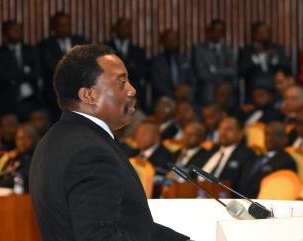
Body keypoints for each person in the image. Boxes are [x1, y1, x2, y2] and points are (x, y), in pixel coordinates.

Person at [29, 44, 189, 241]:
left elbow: (132, 224)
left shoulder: (56, 139)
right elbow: (100, 236)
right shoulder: (90, 152)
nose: (132, 90)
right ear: (88, 95)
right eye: (121, 82)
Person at [38, 12, 89, 120]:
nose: (64, 28)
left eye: (67, 25)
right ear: (54, 27)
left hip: (80, 92)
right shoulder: (46, 45)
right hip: (54, 94)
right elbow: (52, 66)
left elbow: (87, 64)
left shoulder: (81, 42)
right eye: (61, 25)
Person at [0, 20, 41, 119]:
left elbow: (37, 72)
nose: (18, 32)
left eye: (19, 30)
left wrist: (16, 75)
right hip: (9, 102)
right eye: (14, 30)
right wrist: (25, 72)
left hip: (31, 100)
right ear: (5, 34)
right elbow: (4, 76)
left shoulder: (30, 50)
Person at [239, 121, 297, 198]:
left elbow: (282, 189)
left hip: (264, 203)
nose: (270, 138)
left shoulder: (287, 162)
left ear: (285, 139)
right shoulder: (254, 158)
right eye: (267, 134)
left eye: (276, 134)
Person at [239, 21, 290, 102]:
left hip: (275, 88)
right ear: (254, 34)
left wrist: (274, 59)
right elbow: (241, 72)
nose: (264, 36)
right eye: (260, 33)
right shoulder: (246, 51)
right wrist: (255, 58)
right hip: (254, 89)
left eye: (266, 33)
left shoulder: (278, 49)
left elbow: (288, 69)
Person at [200, 117, 256, 190]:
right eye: (220, 128)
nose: (223, 132)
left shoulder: (247, 155)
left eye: (229, 129)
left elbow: (242, 185)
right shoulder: (210, 151)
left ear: (240, 133)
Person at [105, 18, 148, 111]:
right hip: (112, 94)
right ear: (115, 29)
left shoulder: (138, 51)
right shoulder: (105, 48)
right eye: (122, 26)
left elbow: (141, 74)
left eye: (127, 27)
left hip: (134, 96)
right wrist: (130, 67)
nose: (125, 29)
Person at [192, 19, 237, 104]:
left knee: (228, 91)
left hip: (226, 86)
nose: (217, 33)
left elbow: (233, 71)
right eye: (215, 30)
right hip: (208, 87)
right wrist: (221, 76)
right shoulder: (199, 49)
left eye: (220, 31)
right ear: (209, 31)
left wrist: (215, 71)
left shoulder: (229, 50)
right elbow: (201, 73)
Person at [150, 30, 195, 101]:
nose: (172, 42)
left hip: (184, 96)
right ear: (162, 42)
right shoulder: (156, 61)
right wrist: (174, 93)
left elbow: (191, 79)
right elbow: (157, 84)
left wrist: (185, 91)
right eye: (168, 39)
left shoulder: (185, 60)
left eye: (174, 39)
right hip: (164, 96)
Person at [0, 123, 39, 192]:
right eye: (18, 138)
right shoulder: (14, 158)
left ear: (35, 138)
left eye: (27, 137)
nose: (21, 142)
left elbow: (23, 178)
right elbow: (2, 176)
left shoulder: (39, 157)